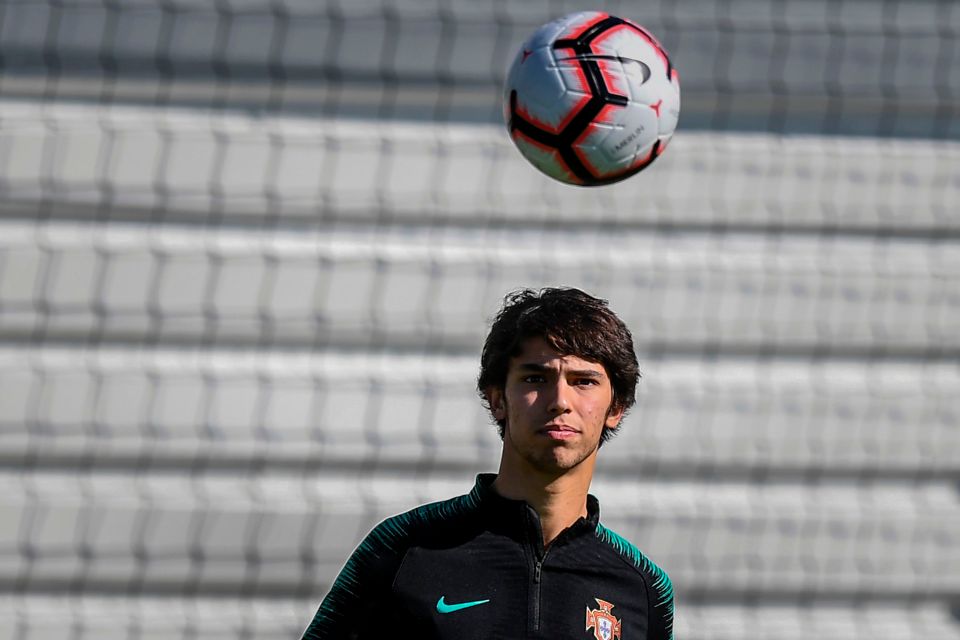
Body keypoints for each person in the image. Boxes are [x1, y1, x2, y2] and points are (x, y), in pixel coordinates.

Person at [301, 287, 674, 640]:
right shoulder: (402, 549)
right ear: (497, 399)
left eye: (583, 381)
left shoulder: (643, 587)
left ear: (616, 408)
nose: (560, 400)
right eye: (535, 378)